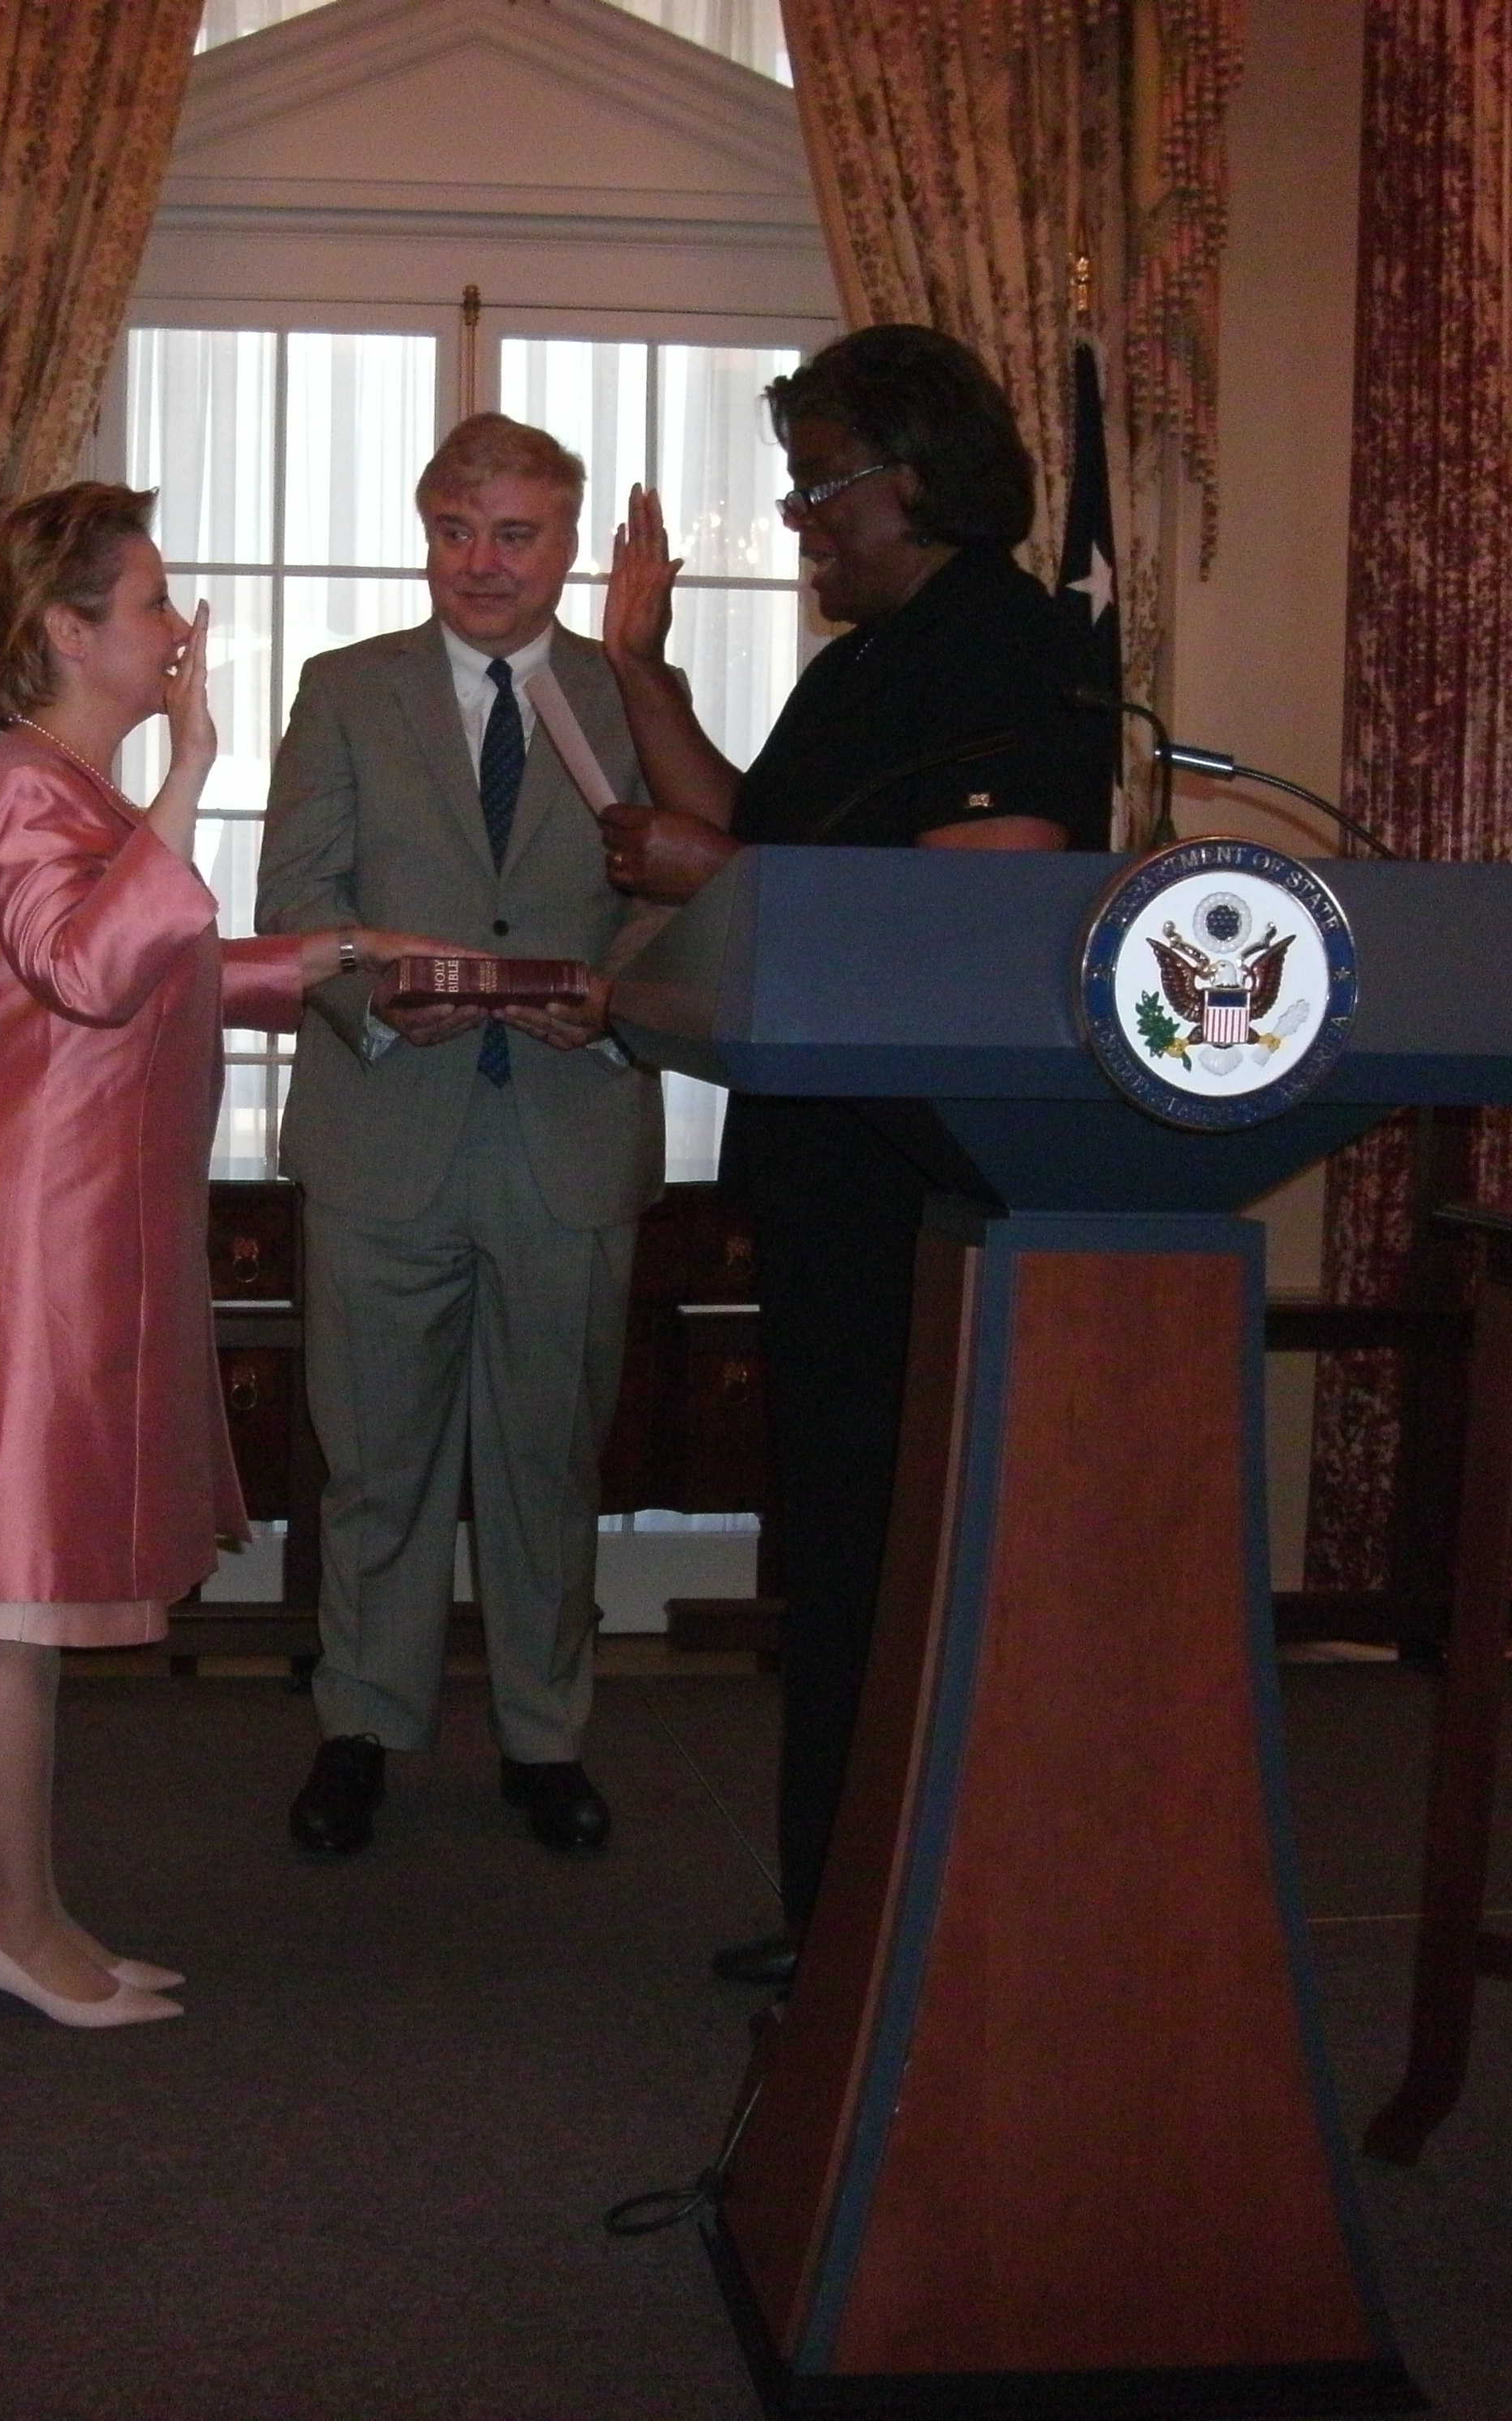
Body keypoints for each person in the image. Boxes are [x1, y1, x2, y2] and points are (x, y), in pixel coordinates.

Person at [0, 483, 440, 2027]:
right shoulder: (38, 793)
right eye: (154, 604)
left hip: (77, 1222)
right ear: (67, 630)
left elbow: (141, 966)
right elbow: (94, 969)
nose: (180, 633)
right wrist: (194, 765)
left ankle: (29, 1913)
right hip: (33, 1237)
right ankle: (13, 1924)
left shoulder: (64, 795)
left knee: (29, 1603)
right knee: (12, 1599)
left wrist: (323, 963)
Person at [594, 324, 1116, 1987]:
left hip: (927, 1191)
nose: (802, 519)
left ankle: (897, 1927)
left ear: (911, 481)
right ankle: (840, 1912)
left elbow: (968, 902)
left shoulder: (1005, 647)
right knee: (833, 1558)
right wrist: (642, 682)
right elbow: (761, 836)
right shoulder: (869, 657)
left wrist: (709, 878)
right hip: (831, 1181)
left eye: (820, 484)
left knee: (890, 1563)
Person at [254, 415, 662, 1859]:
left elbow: (687, 904)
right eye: (454, 531)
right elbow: (298, 898)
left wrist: (619, 1007)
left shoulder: (632, 701)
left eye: (515, 534)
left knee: (548, 1462)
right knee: (373, 1459)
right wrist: (377, 998)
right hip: (386, 1129)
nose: (481, 564)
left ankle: (546, 1738)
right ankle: (363, 1724)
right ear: (424, 534)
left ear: (567, 545)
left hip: (570, 1126)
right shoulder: (346, 691)